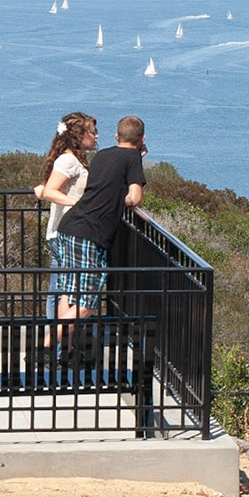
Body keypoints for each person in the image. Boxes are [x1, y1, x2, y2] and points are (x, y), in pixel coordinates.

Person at [43, 115, 146, 365]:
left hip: (69, 227)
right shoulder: (132, 158)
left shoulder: (101, 156)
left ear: (117, 136)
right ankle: (48, 343)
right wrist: (120, 199)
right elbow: (135, 197)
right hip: (91, 233)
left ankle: (65, 352)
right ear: (142, 139)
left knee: (68, 294)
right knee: (88, 303)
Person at [33, 112, 96, 353]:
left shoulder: (74, 159)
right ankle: (58, 347)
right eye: (92, 132)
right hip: (64, 233)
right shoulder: (68, 160)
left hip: (65, 233)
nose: (96, 136)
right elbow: (51, 191)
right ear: (79, 136)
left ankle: (61, 345)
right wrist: (78, 205)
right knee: (64, 292)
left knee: (61, 290)